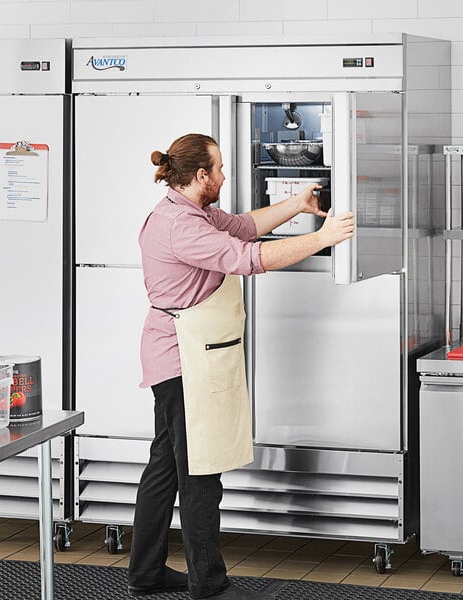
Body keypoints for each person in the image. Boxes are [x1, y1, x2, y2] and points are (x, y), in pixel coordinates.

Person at [127, 133, 355, 599]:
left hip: (178, 357)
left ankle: (146, 573)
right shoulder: (182, 227)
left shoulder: (193, 212)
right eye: (220, 168)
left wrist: (297, 204)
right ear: (201, 176)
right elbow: (249, 258)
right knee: (200, 474)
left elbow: (245, 226)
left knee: (165, 468)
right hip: (183, 362)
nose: (226, 175)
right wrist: (322, 238)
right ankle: (209, 587)